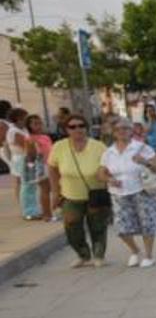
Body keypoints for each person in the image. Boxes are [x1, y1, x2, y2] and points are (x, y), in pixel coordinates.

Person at [48, 113, 112, 268]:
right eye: (72, 126)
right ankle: (83, 254)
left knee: (98, 226)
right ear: (66, 130)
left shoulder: (98, 146)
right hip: (70, 195)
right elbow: (52, 168)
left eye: (81, 126)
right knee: (71, 226)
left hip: (96, 193)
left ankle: (98, 255)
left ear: (86, 128)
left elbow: (109, 167)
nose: (78, 129)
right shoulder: (59, 147)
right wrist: (55, 192)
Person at [100, 117, 156, 268]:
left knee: (147, 223)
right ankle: (135, 250)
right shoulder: (108, 152)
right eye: (118, 129)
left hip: (142, 190)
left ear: (131, 131)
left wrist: (144, 161)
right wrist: (109, 180)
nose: (122, 132)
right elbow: (100, 173)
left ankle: (149, 255)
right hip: (118, 193)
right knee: (121, 228)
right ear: (113, 133)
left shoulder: (141, 148)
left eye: (125, 128)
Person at [20, 114, 53, 221]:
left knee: (50, 189)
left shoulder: (45, 137)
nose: (38, 126)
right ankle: (47, 214)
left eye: (40, 123)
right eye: (35, 124)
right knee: (45, 190)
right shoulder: (30, 139)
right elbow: (31, 156)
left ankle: (48, 212)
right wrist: (31, 170)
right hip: (40, 166)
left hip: (49, 164)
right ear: (29, 126)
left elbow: (51, 151)